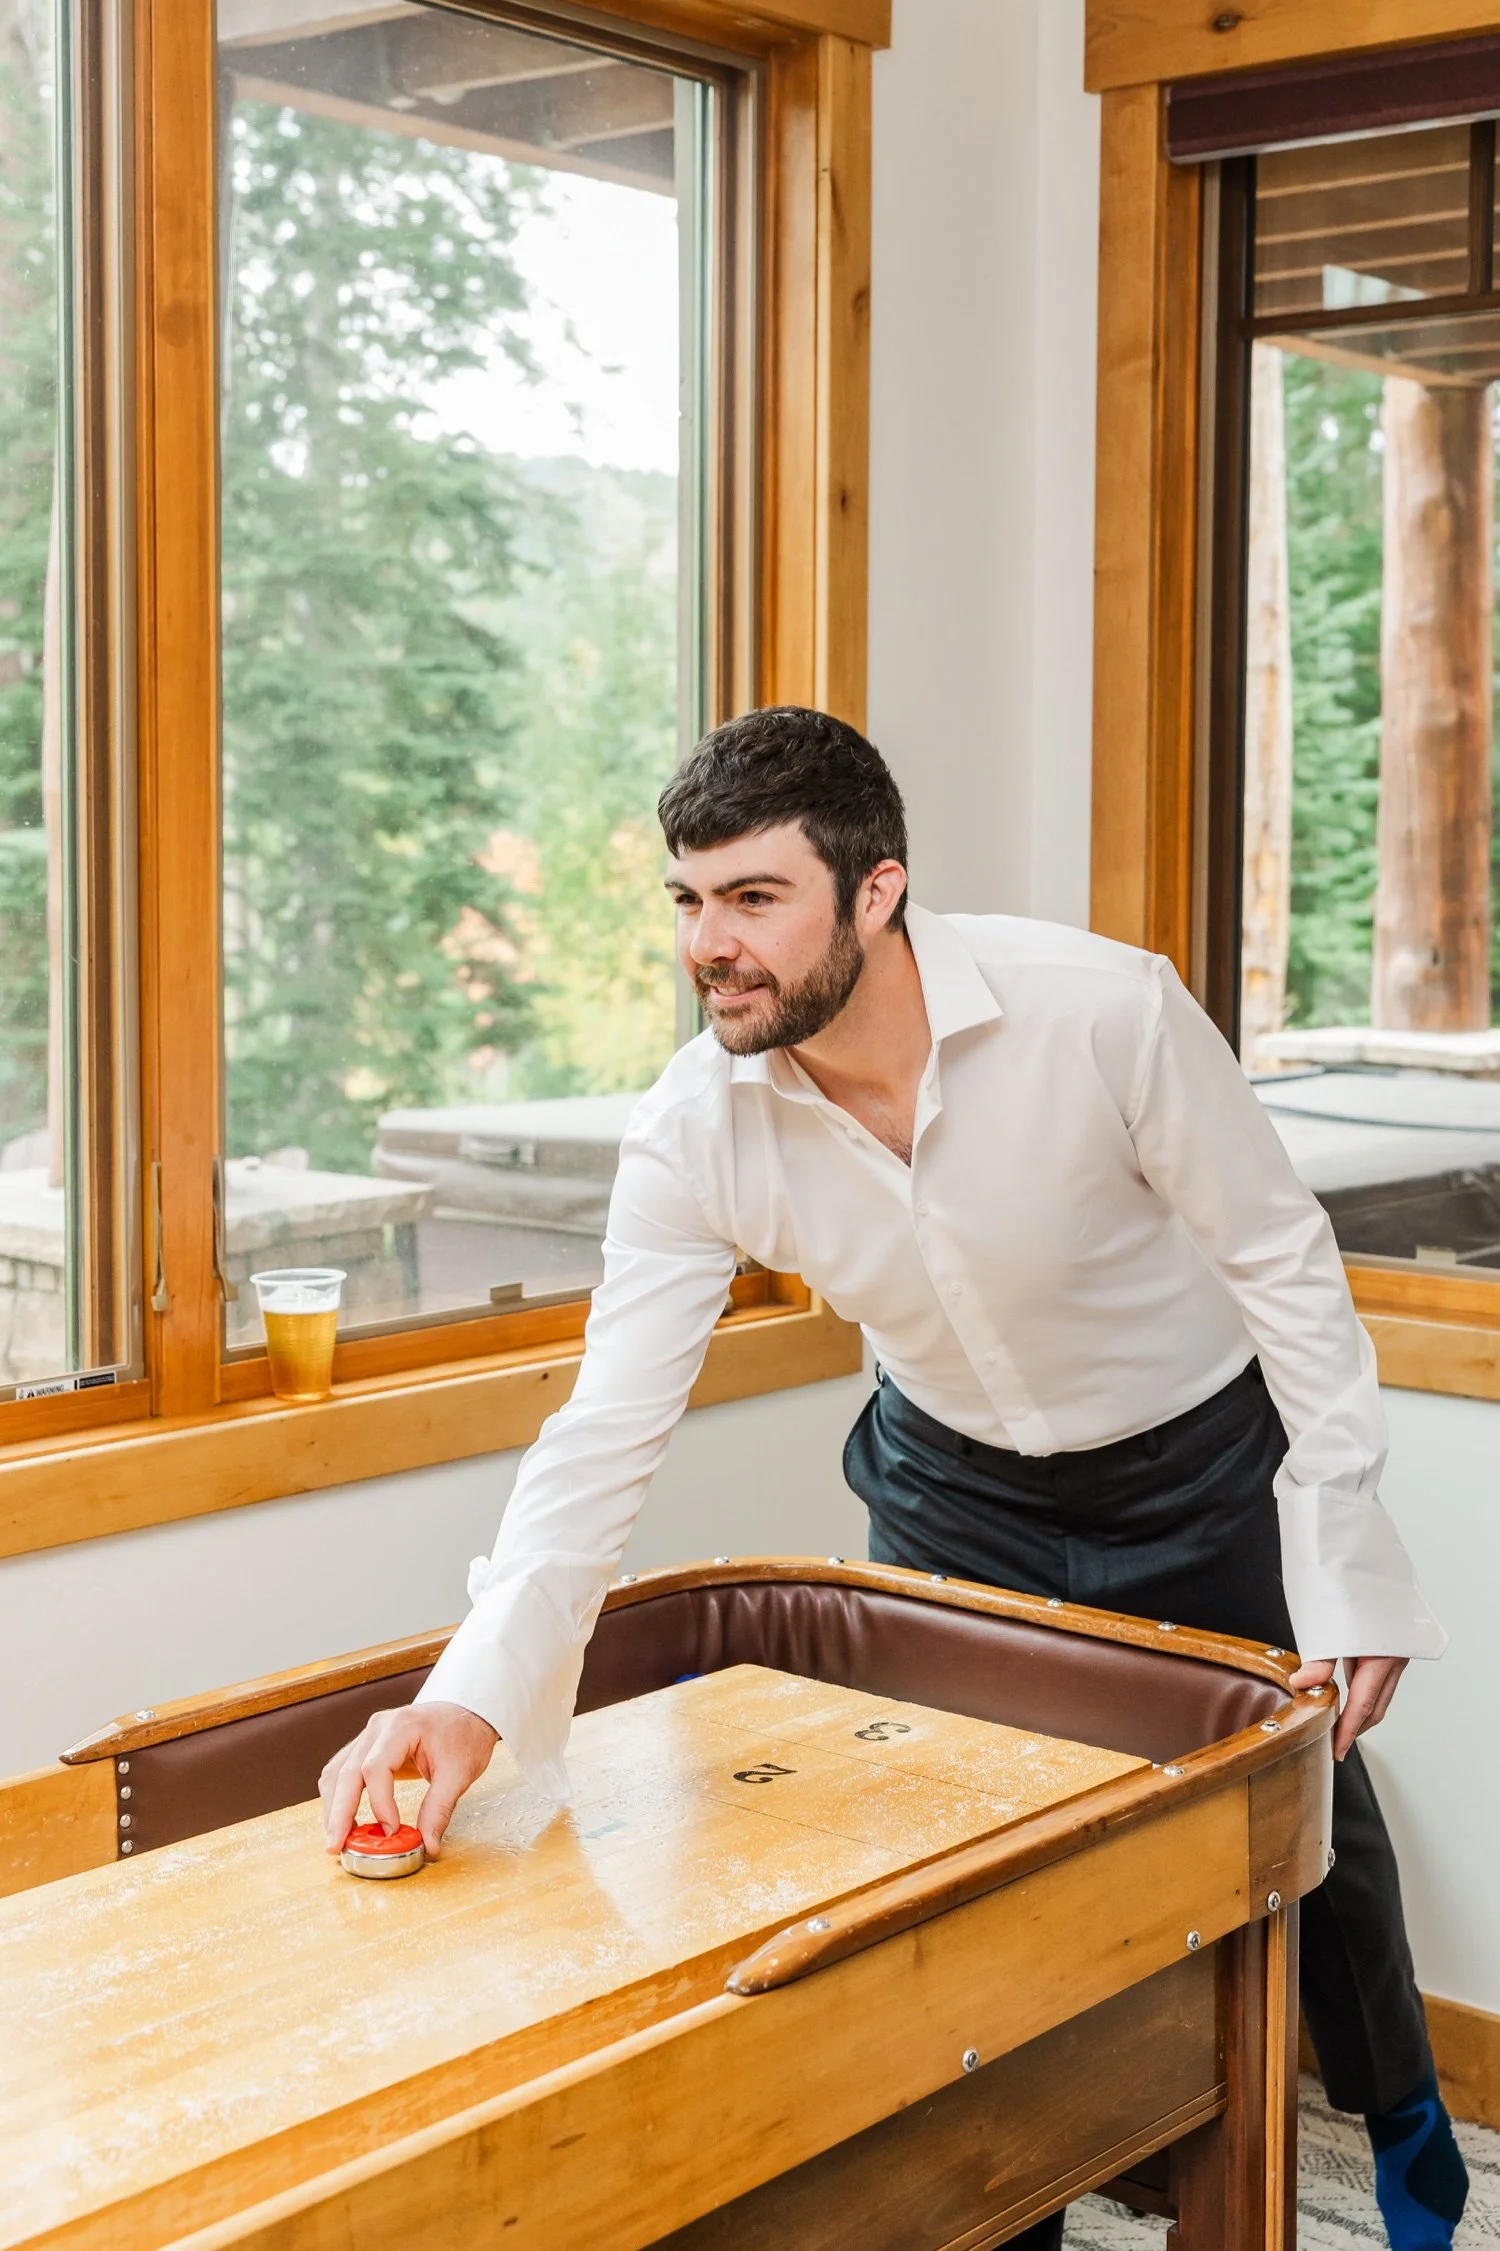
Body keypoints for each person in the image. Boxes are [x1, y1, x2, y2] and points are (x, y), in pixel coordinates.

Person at [321, 706, 1466, 2251]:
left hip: (1197, 1463)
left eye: (753, 898)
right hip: (951, 1489)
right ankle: (1016, 2207)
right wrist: (470, 1690)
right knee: (971, 1862)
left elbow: (1283, 1262)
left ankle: (1408, 2146)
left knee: (1301, 1826)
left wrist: (1342, 1548)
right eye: (687, 899)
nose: (708, 944)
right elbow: (603, 1431)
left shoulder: (1104, 1012)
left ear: (876, 892)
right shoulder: (693, 1130)